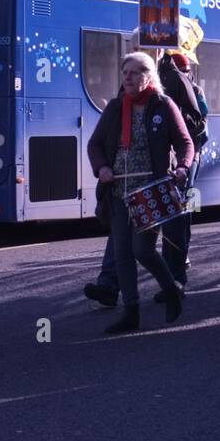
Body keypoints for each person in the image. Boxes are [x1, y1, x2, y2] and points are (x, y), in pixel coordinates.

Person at [87, 53, 193, 334]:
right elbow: (95, 145)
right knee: (122, 252)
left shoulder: (163, 105)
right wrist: (102, 169)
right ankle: (130, 312)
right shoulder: (115, 107)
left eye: (134, 72)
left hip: (150, 190)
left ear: (148, 76)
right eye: (125, 72)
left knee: (142, 249)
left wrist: (182, 166)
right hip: (119, 190)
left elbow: (185, 142)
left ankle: (171, 289)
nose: (128, 78)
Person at [158, 53, 208, 294]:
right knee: (177, 212)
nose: (186, 74)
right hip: (176, 158)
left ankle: (180, 258)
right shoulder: (162, 85)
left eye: (186, 71)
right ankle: (174, 268)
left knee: (185, 207)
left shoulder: (195, 91)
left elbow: (202, 124)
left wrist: (191, 151)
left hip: (190, 157)